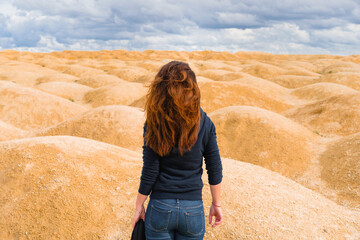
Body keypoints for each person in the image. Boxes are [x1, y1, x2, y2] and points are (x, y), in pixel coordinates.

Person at [131, 60, 223, 240]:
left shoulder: (154, 123)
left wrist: (139, 206)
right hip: (193, 209)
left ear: (161, 90)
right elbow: (214, 167)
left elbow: (150, 170)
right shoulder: (205, 122)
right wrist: (216, 204)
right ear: (193, 90)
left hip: (160, 207)